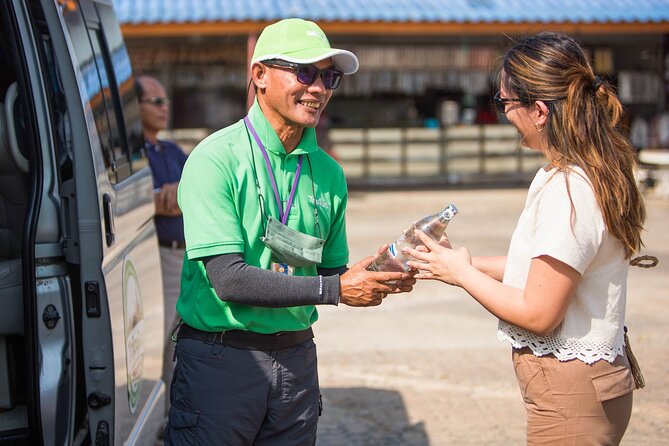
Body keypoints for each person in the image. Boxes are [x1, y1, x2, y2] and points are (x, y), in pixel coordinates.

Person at [163, 18, 415, 445]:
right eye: (304, 72)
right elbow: (228, 278)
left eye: (329, 76)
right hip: (220, 360)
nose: (318, 88)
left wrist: (378, 272)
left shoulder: (328, 173)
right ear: (259, 74)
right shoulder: (215, 159)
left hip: (297, 360)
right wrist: (334, 290)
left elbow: (332, 271)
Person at [404, 32, 646, 444]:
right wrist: (457, 263)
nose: (502, 113)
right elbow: (548, 267)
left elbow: (539, 312)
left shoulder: (569, 188)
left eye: (504, 103)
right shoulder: (586, 170)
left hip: (571, 395)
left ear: (538, 111)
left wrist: (462, 275)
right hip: (589, 385)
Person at [135, 75, 188, 418]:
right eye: (156, 102)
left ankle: (177, 412)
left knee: (186, 336)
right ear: (135, 108)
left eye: (165, 101)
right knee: (163, 339)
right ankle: (161, 419)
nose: (163, 108)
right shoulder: (130, 155)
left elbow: (193, 198)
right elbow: (153, 204)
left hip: (189, 255)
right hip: (158, 256)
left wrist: (176, 194)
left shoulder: (173, 151)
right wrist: (167, 197)